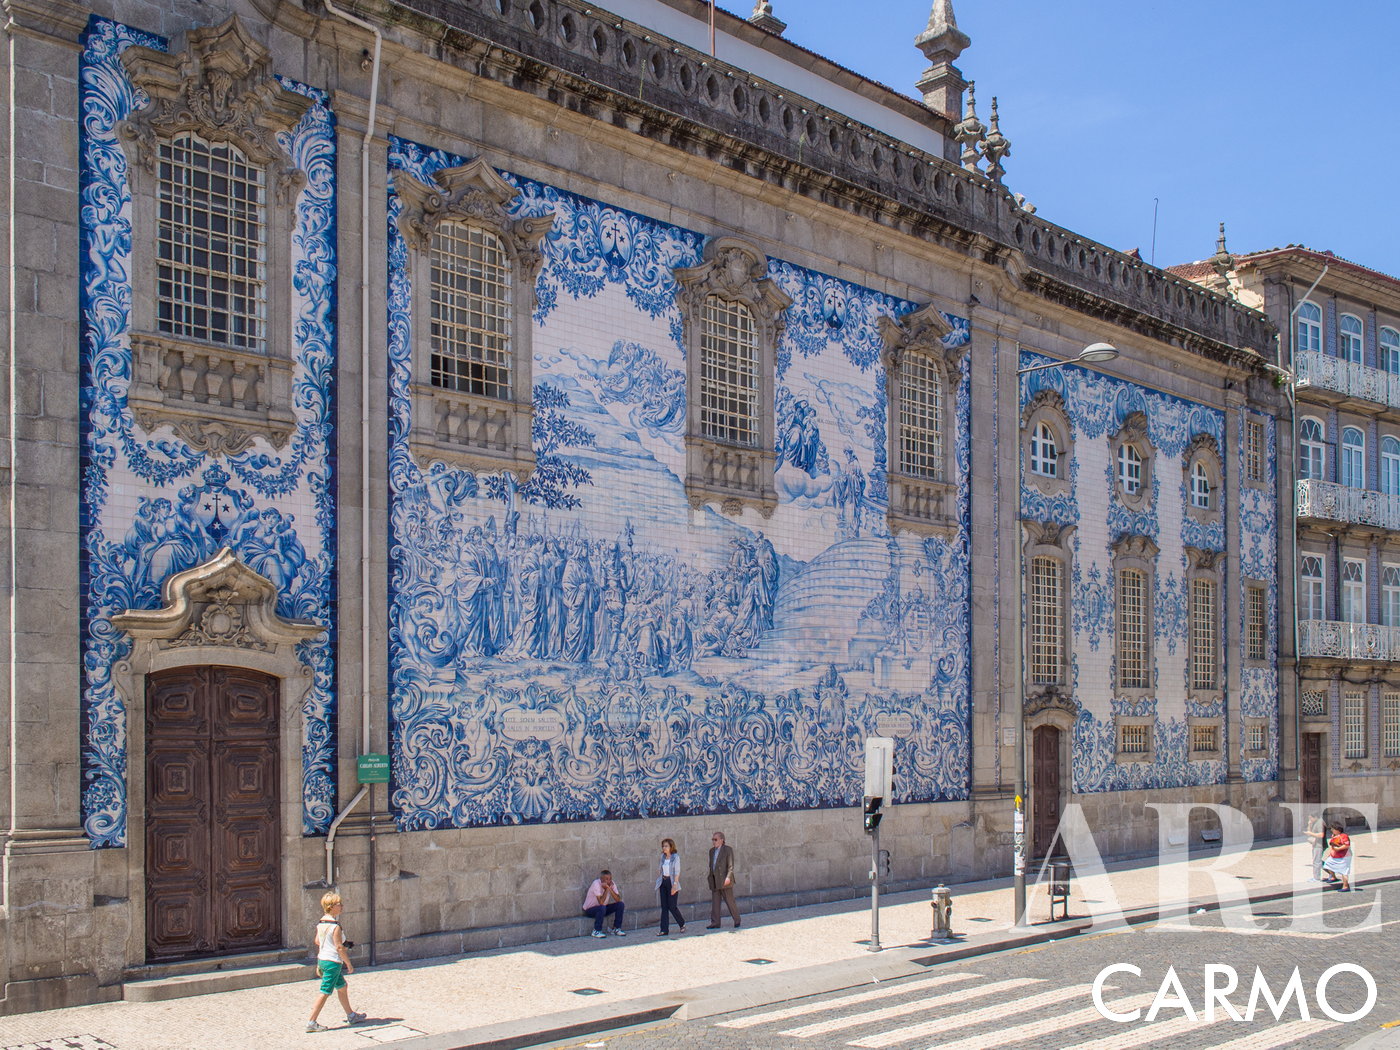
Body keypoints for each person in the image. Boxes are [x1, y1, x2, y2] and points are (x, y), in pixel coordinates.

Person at [307, 892, 366, 1033]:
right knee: (325, 992)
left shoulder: (321, 923)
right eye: (339, 904)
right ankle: (311, 1022)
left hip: (323, 959)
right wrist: (349, 964)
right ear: (331, 907)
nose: (342, 906)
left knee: (342, 986)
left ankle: (351, 1015)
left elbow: (317, 941)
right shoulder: (335, 926)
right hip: (333, 961)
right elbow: (339, 947)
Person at [707, 831, 741, 929]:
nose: (714, 841)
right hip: (714, 880)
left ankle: (737, 920)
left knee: (730, 901)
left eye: (715, 839)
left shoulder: (728, 850)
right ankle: (715, 922)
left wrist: (728, 877)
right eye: (713, 839)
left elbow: (731, 866)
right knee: (715, 903)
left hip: (725, 880)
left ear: (722, 840)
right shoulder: (711, 851)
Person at [583, 870, 627, 937]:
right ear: (601, 879)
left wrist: (609, 888)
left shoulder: (612, 884)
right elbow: (601, 902)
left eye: (610, 879)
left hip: (603, 909)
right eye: (606, 879)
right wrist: (606, 889)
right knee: (602, 907)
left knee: (620, 904)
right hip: (590, 910)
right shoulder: (596, 884)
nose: (609, 881)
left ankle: (616, 928)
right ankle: (596, 931)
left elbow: (618, 899)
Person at [656, 838, 686, 936]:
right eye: (663, 846)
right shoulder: (662, 857)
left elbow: (677, 872)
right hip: (663, 881)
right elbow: (660, 867)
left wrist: (675, 885)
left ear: (671, 847)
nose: (664, 848)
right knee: (664, 906)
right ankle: (664, 929)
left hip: (672, 882)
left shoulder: (675, 857)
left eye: (666, 846)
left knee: (672, 906)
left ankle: (681, 923)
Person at [1320, 823, 1353, 891]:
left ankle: (1345, 886)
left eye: (1333, 829)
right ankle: (1333, 877)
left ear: (1337, 830)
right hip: (1335, 856)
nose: (1331, 830)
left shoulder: (1343, 836)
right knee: (1328, 864)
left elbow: (1346, 845)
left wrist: (1338, 849)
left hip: (1344, 856)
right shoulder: (1334, 836)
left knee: (1344, 871)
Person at [1304, 812, 1327, 882]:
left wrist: (1310, 833)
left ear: (1315, 817)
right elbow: (1309, 832)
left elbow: (1321, 834)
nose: (1310, 819)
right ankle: (1331, 872)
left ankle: (1316, 878)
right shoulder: (1315, 822)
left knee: (1317, 861)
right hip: (1315, 844)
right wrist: (1309, 824)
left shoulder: (1320, 823)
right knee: (1317, 861)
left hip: (1319, 845)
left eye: (1311, 818)